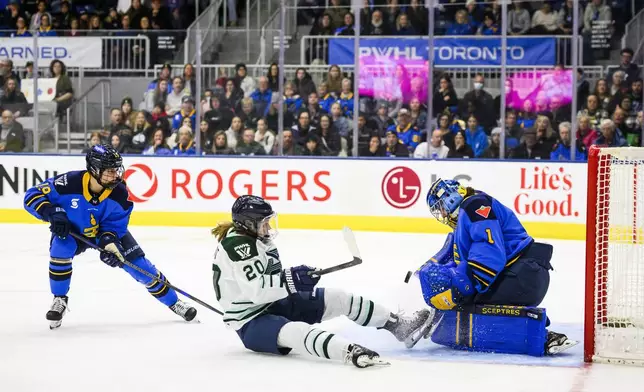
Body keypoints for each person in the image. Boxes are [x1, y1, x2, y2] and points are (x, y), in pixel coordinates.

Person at [211, 195, 433, 368]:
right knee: (297, 332)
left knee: (338, 298)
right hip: (250, 322)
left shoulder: (256, 239)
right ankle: (350, 351)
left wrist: (295, 277)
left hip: (275, 303)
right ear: (248, 224)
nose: (268, 228)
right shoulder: (238, 247)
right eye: (264, 223)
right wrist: (290, 281)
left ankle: (397, 326)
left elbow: (270, 280)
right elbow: (257, 293)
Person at [23, 145, 197, 329]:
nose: (115, 175)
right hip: (74, 231)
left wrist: (109, 243)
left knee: (140, 267)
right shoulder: (68, 183)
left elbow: (115, 226)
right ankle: (59, 299)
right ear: (94, 170)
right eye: (109, 171)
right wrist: (52, 212)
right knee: (60, 248)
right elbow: (31, 195)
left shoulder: (120, 194)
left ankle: (174, 302)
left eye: (116, 170)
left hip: (105, 233)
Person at [413, 179, 578, 356]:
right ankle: (531, 326)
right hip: (523, 274)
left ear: (450, 198)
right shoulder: (466, 215)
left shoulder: (474, 205)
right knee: (468, 299)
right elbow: (464, 261)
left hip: (524, 275)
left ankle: (539, 336)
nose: (442, 214)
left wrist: (459, 290)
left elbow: (489, 252)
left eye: (441, 207)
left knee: (470, 303)